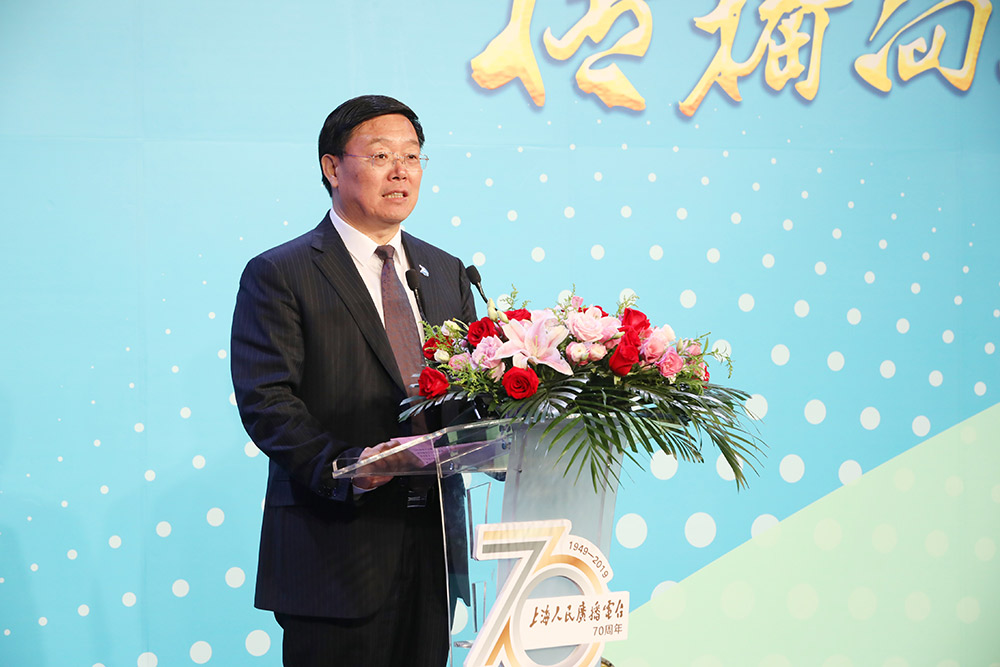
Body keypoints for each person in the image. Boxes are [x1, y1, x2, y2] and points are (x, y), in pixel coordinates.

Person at [231, 95, 475, 666]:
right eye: (382, 155)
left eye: (412, 157)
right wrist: (351, 467)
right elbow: (267, 402)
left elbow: (465, 395)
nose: (401, 171)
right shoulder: (282, 272)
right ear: (332, 167)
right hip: (335, 549)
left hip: (434, 550)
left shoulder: (447, 271)